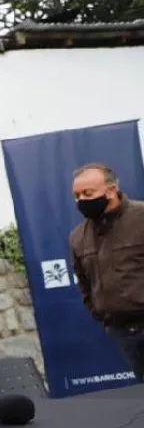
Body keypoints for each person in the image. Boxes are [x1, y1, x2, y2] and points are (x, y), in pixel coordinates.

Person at [70, 163, 144, 381]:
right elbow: (84, 282)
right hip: (122, 332)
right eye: (77, 195)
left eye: (88, 193)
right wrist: (100, 313)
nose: (81, 200)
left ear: (111, 190)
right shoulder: (78, 237)